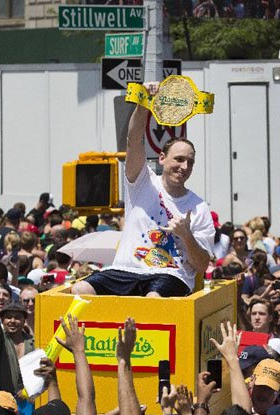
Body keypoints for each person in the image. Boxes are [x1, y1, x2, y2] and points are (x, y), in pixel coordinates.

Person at [72, 81, 214, 297]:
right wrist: (144, 103)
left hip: (170, 275)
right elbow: (133, 140)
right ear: (162, 158)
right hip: (126, 269)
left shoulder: (199, 207)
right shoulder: (143, 183)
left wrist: (186, 235)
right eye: (179, 159)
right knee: (80, 289)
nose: (184, 167)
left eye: (190, 162)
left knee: (153, 299)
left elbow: (202, 265)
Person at [0, 296, 35, 397]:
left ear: (24, 321)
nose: (12, 321)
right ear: (2, 320)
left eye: (17, 317)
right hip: (3, 400)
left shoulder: (33, 343)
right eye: (8, 317)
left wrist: (28, 390)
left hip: (28, 402)